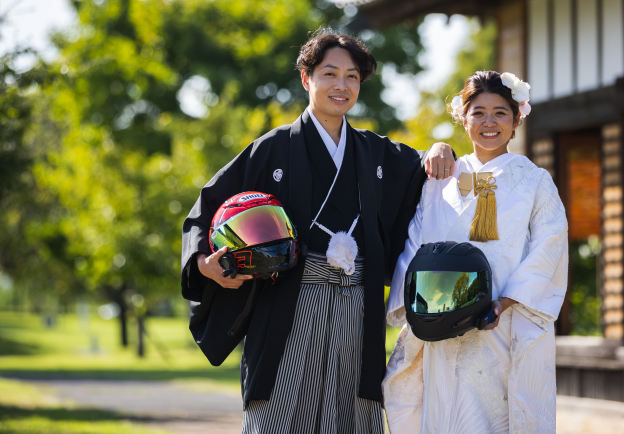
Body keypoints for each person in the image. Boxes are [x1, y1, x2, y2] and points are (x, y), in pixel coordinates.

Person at [180, 29, 455, 434]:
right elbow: (209, 206)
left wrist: (440, 149)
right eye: (330, 74)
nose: (341, 85)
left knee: (353, 417)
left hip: (355, 308)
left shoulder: (374, 151)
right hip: (290, 302)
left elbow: (423, 168)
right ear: (306, 78)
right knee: (281, 413)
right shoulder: (272, 149)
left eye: (352, 77)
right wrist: (203, 263)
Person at [383, 71, 568, 434]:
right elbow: (416, 243)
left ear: (516, 119)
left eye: (500, 113)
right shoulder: (441, 177)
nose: (489, 122)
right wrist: (420, 305)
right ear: (463, 119)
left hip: (503, 321)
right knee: (447, 411)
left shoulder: (535, 181)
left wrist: (503, 303)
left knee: (498, 412)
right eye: (478, 112)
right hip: (443, 319)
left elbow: (549, 246)